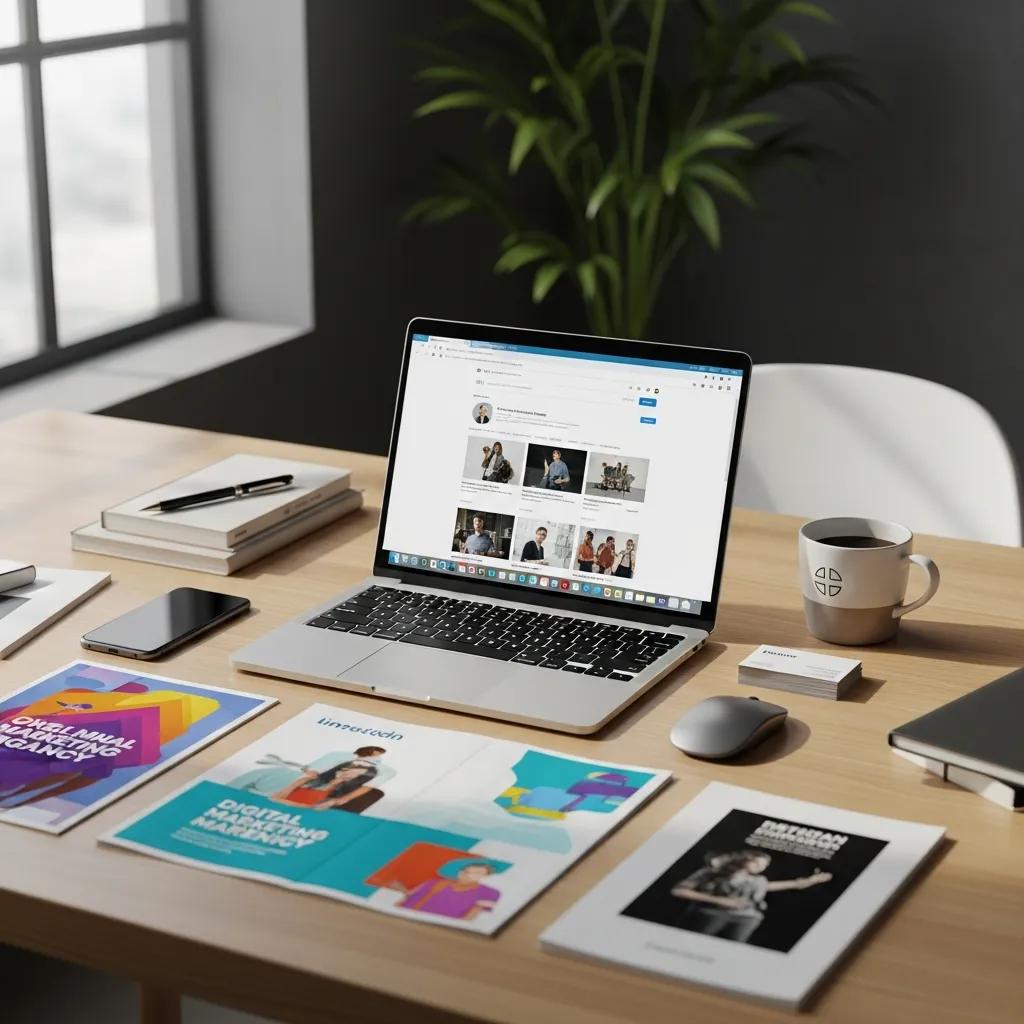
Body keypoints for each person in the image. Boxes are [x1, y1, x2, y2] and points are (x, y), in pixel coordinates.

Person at [670, 850, 833, 943]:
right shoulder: (712, 873)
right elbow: (679, 891)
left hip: (747, 919)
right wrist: (717, 900)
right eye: (757, 862)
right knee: (695, 943)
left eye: (765, 865)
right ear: (744, 859)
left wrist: (808, 881)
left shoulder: (757, 880)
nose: (761, 867)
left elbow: (770, 886)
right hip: (710, 914)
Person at [392, 861, 501, 921]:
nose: (467, 874)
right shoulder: (433, 882)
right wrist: (401, 890)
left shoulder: (489, 892)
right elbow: (409, 896)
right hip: (403, 916)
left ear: (485, 876)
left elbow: (472, 915)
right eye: (466, 871)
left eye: (476, 873)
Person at [271, 763, 379, 811]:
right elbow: (274, 798)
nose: (348, 773)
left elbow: (310, 810)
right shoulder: (306, 781)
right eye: (346, 770)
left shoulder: (341, 796)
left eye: (356, 773)